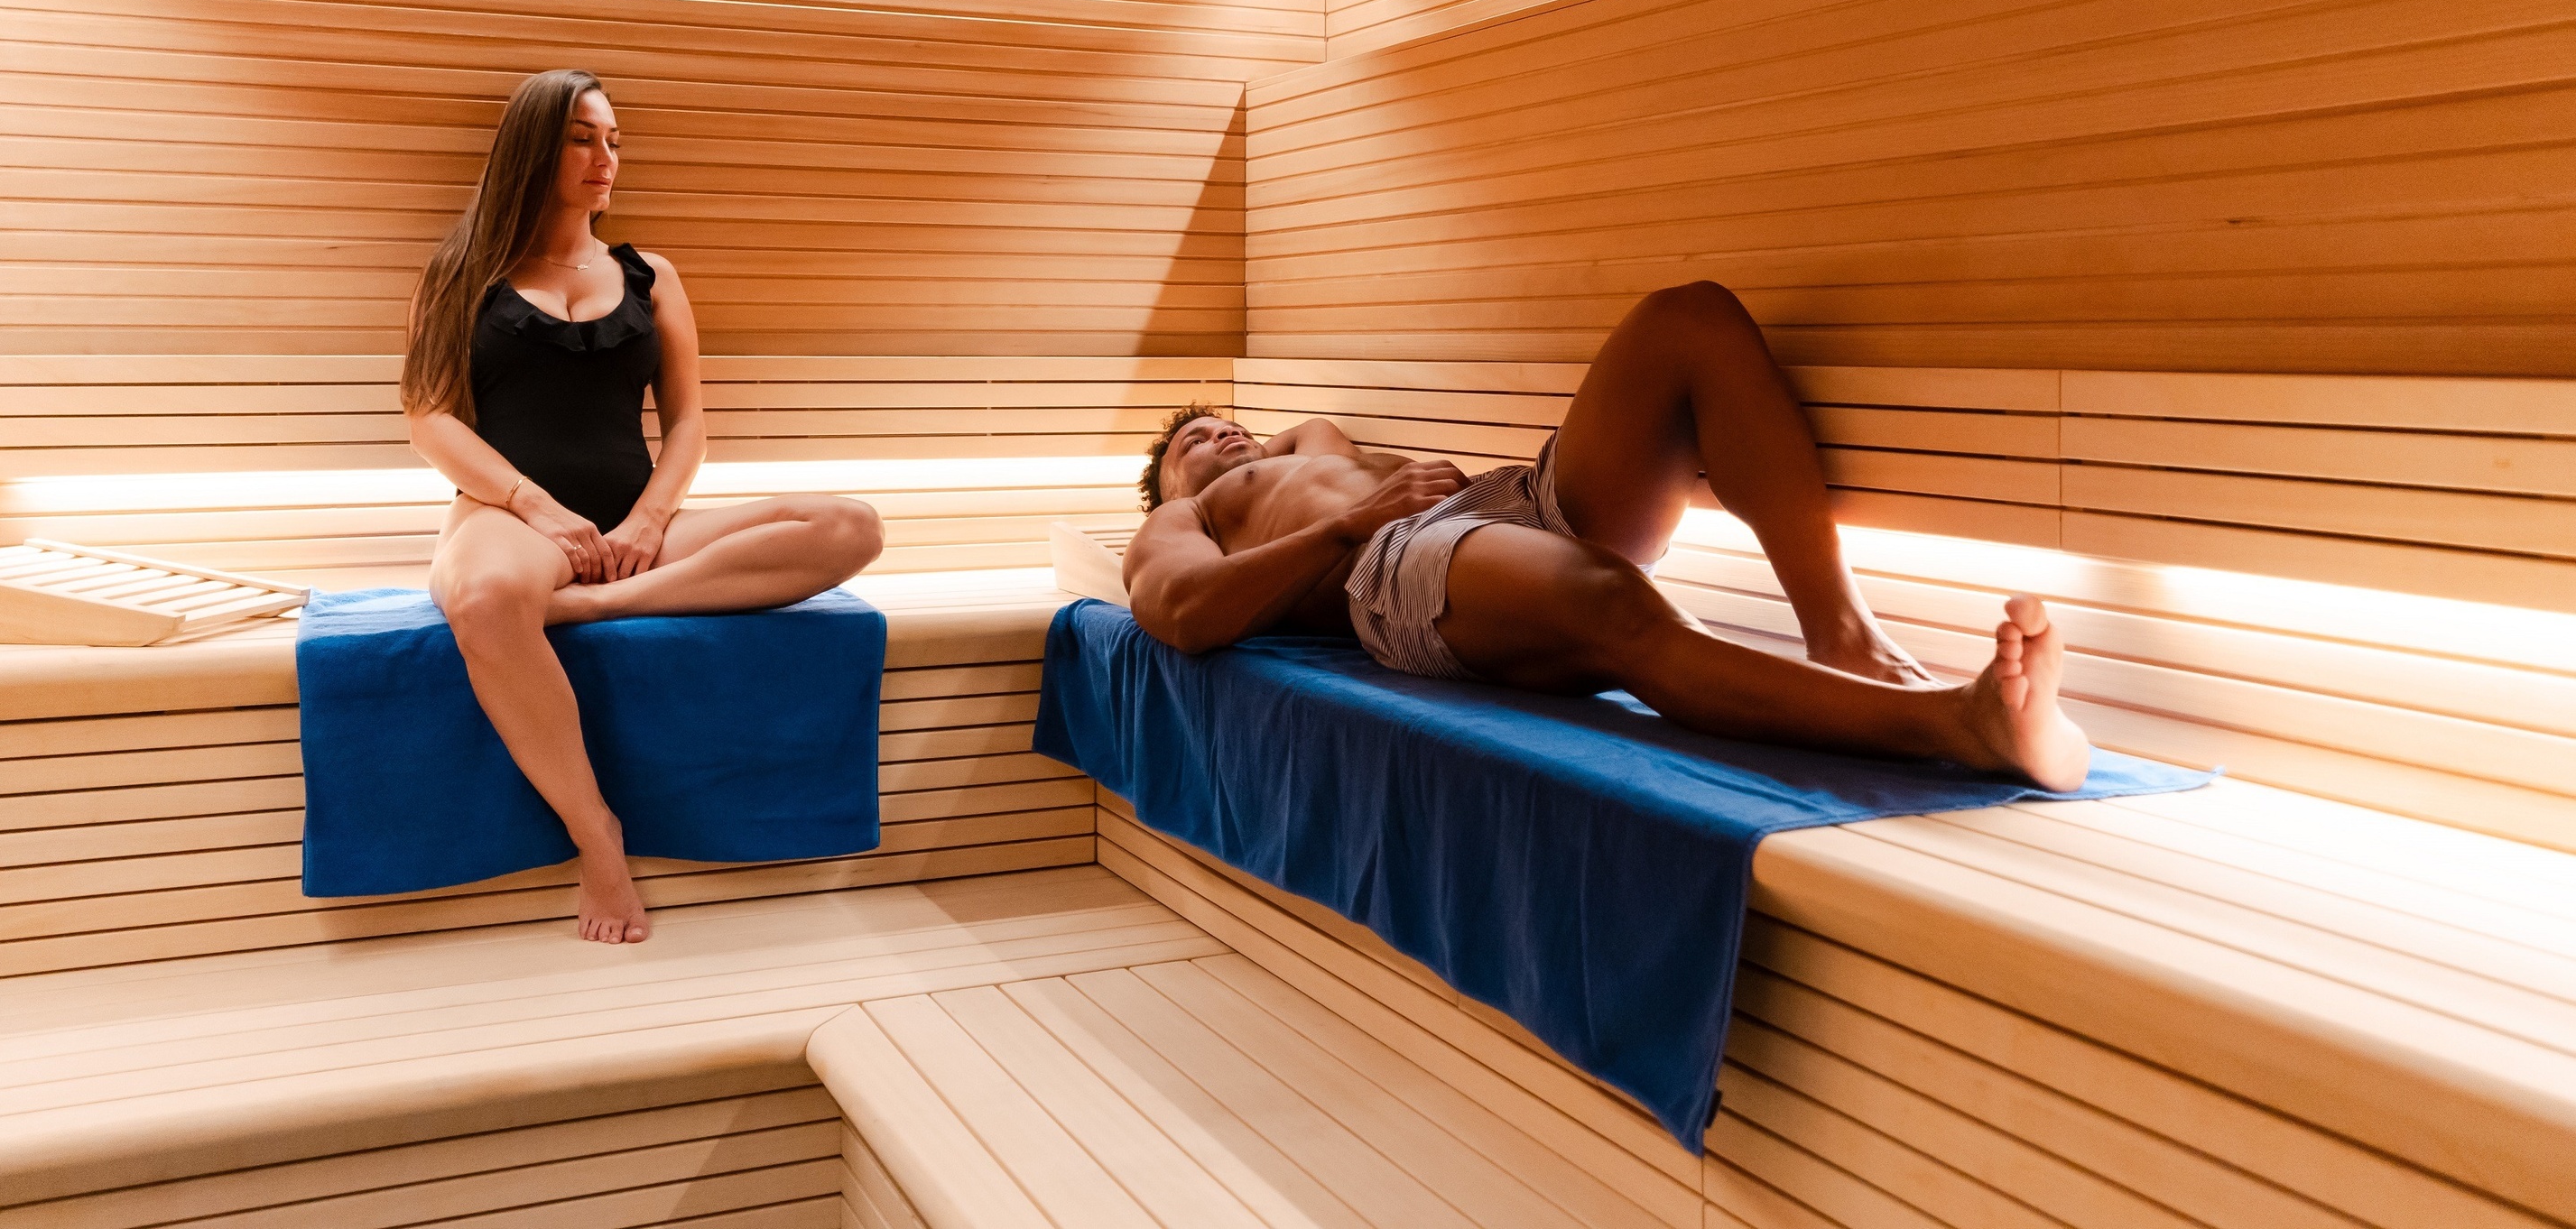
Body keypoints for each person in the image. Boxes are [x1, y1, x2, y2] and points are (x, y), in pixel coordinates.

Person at [1123, 283, 2090, 791]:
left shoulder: (1309, 438)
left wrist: (1290, 449)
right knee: (1611, 602)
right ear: (1166, 484)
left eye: (1229, 422)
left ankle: (1847, 636)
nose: (1221, 434)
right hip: (1395, 567)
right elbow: (1182, 612)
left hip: (1504, 504)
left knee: (1689, 320)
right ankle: (1961, 726)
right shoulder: (1187, 516)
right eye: (1194, 441)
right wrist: (1345, 521)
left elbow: (1290, 432)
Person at [402, 69, 885, 943]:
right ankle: (599, 837)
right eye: (583, 137)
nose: (606, 157)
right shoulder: (462, 273)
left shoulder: (651, 275)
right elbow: (428, 415)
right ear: (533, 148)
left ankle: (599, 604)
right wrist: (536, 508)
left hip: (634, 526)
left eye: (614, 139)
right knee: (483, 600)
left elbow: (690, 419)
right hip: (510, 524)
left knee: (851, 525)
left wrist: (651, 521)